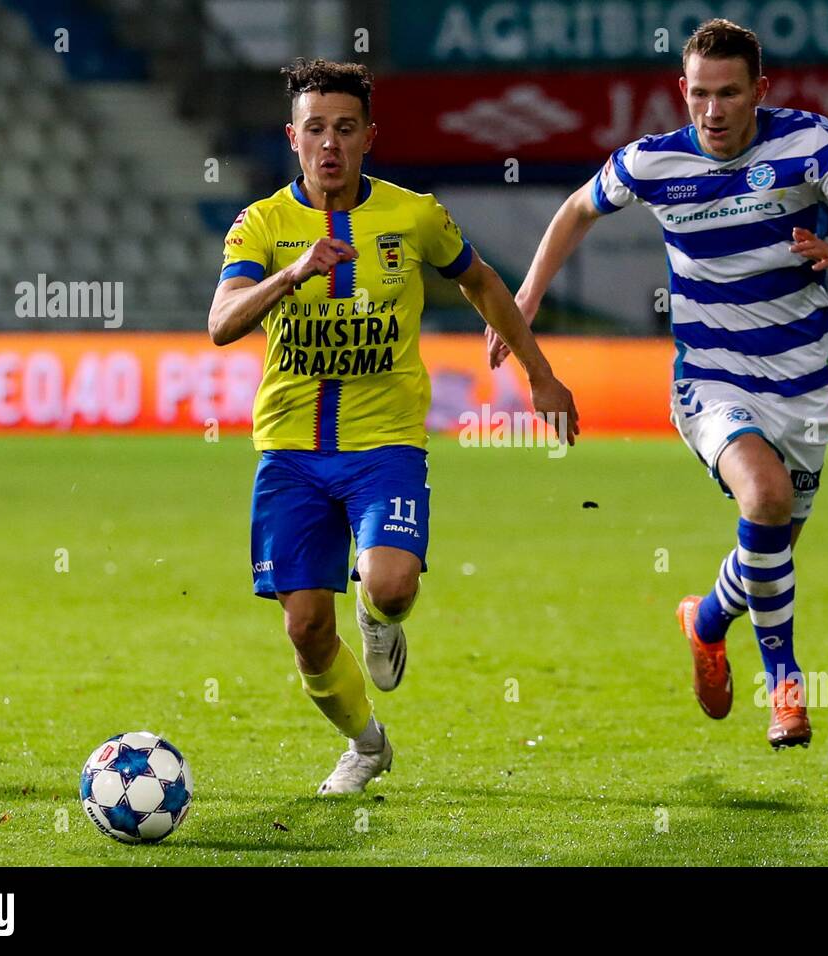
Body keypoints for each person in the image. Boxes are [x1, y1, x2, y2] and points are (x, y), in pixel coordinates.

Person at [490, 20, 828, 748]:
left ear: (760, 92)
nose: (712, 111)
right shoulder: (651, 163)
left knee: (769, 544)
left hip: (805, 378)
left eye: (729, 94)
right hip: (711, 377)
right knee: (767, 498)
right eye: (700, 95)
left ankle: (706, 620)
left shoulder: (810, 142)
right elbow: (577, 209)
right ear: (683, 92)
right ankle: (786, 692)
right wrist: (527, 294)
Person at [208, 59, 579, 793]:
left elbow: (477, 278)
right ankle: (367, 745)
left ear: (369, 136)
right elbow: (221, 323)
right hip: (290, 450)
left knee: (393, 583)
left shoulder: (414, 215)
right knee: (307, 629)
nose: (330, 145)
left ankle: (379, 619)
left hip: (386, 446)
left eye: (345, 129)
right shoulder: (261, 225)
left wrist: (539, 373)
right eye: (315, 129)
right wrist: (291, 275)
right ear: (292, 136)